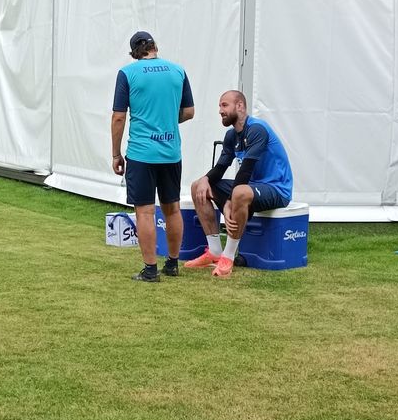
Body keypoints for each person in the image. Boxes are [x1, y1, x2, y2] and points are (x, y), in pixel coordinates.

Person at [111, 31, 194, 282]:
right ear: (155, 47)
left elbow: (118, 117)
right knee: (172, 208)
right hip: (170, 151)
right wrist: (168, 119)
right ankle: (172, 263)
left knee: (145, 212)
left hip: (141, 153)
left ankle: (149, 269)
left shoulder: (128, 73)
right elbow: (189, 112)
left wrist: (116, 153)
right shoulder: (178, 71)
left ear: (134, 52)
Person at [185, 90, 292, 278]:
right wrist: (205, 179)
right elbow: (220, 168)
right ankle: (214, 252)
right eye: (219, 106)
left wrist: (228, 202)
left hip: (276, 189)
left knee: (239, 192)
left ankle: (228, 256)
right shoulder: (231, 136)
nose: (220, 110)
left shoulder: (257, 129)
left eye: (224, 105)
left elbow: (245, 171)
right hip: (249, 187)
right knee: (198, 187)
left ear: (240, 106)